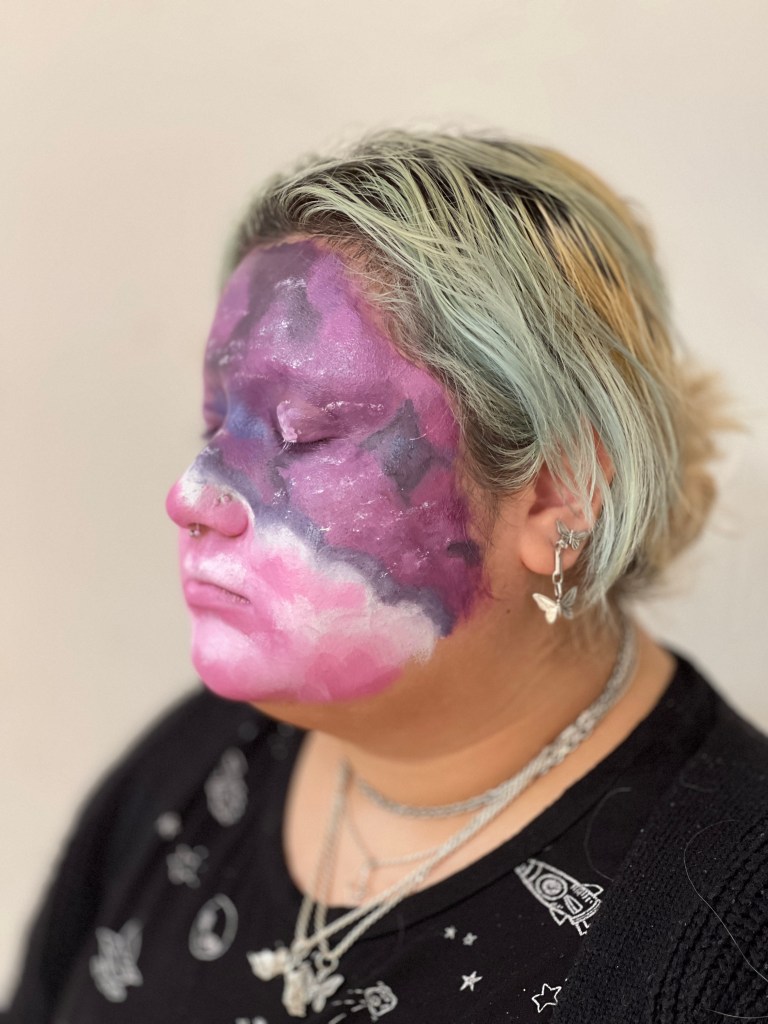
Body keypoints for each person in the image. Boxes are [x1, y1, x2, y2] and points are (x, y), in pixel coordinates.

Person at [6, 131, 768, 1024]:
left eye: (300, 432)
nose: (190, 494)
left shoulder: (733, 942)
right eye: (216, 424)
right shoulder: (195, 766)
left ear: (556, 492)